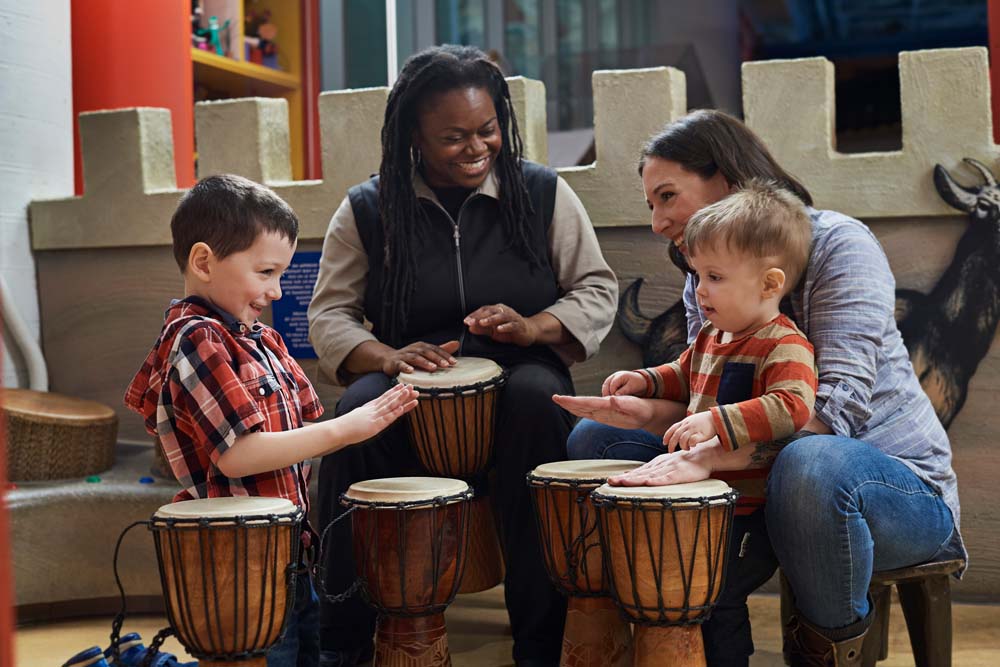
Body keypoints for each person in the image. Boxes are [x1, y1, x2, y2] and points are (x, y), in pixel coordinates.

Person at [556, 110, 966, 667]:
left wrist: (711, 455)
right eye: (650, 204)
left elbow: (831, 412)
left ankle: (827, 652)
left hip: (888, 487)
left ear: (724, 181)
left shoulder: (838, 244)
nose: (656, 222)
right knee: (596, 438)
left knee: (812, 465)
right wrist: (644, 408)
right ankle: (660, 619)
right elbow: (708, 392)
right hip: (758, 474)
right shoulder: (703, 274)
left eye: (667, 196)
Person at [307, 44, 618, 667]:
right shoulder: (368, 208)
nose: (477, 148)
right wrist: (385, 356)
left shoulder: (542, 193)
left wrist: (534, 327)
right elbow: (329, 313)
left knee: (538, 400)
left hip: (519, 374)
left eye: (487, 130)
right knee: (358, 416)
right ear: (413, 138)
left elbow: (597, 287)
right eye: (453, 137)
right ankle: (344, 641)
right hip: (407, 382)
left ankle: (544, 642)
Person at [124, 174, 418, 667]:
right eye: (265, 272)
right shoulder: (198, 339)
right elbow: (240, 456)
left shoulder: (259, 338)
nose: (278, 291)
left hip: (289, 552)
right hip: (243, 562)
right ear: (203, 261)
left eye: (281, 274)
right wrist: (348, 428)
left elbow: (296, 435)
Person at [572, 179, 817, 519]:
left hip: (745, 506)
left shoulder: (785, 345)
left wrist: (716, 420)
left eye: (714, 277)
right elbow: (685, 374)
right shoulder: (711, 334)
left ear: (768, 284)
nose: (700, 290)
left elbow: (791, 405)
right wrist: (645, 381)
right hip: (696, 490)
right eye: (698, 276)